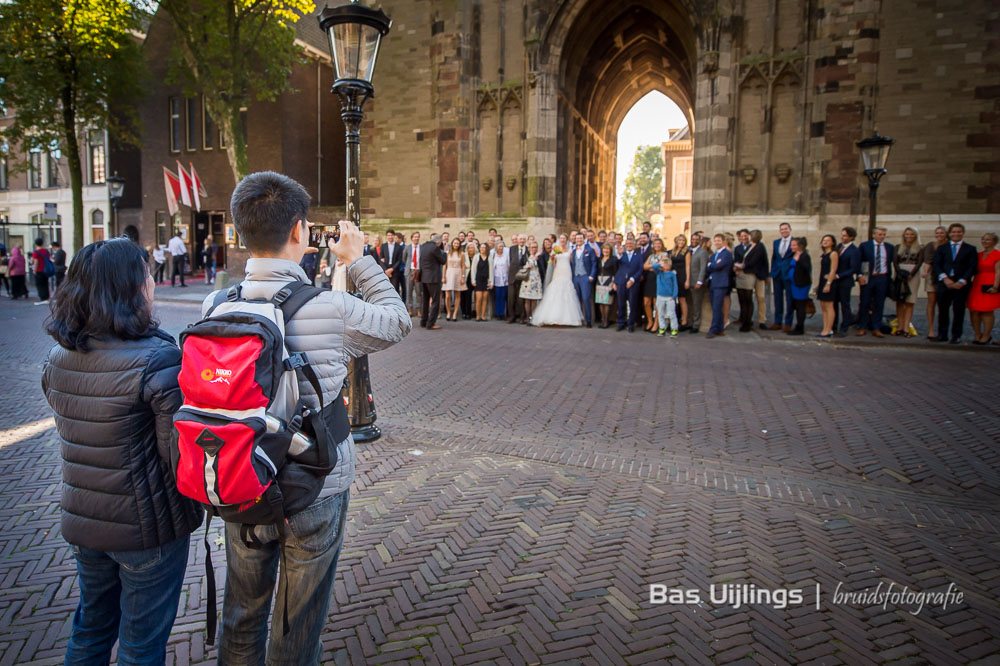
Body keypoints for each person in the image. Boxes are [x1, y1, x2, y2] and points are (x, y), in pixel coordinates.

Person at [204, 172, 409, 664]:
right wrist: (357, 260)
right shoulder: (331, 308)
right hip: (314, 484)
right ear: (299, 231)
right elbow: (397, 320)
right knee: (298, 627)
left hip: (243, 475)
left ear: (238, 231)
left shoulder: (216, 304)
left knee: (241, 616)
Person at [42, 238, 203, 664]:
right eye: (147, 274)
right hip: (146, 530)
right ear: (132, 287)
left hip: (84, 523)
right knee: (140, 646)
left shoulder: (58, 358)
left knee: (90, 631)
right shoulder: (158, 357)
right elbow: (178, 454)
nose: (152, 281)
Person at [932, 223, 977, 344]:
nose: (956, 234)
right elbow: (936, 264)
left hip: (961, 285)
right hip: (944, 284)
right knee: (943, 310)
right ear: (949, 233)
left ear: (963, 233)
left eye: (959, 232)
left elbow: (972, 267)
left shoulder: (970, 249)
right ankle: (942, 334)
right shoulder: (942, 248)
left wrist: (962, 281)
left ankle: (956, 335)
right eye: (953, 232)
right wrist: (945, 278)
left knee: (959, 310)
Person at [532, 236, 583, 326]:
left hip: (567, 271)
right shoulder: (555, 249)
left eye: (564, 239)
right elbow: (553, 263)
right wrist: (552, 258)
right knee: (556, 291)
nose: (562, 240)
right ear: (559, 240)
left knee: (567, 292)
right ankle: (553, 317)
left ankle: (567, 318)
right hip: (558, 271)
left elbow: (572, 262)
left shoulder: (570, 251)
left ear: (566, 240)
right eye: (561, 238)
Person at [857, 226, 894, 337]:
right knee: (865, 302)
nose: (881, 236)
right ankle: (862, 326)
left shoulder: (889, 247)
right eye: (879, 234)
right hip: (868, 277)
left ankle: (876, 327)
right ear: (873, 235)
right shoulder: (865, 246)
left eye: (883, 234)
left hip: (882, 277)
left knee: (879, 303)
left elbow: (890, 262)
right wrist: (859, 275)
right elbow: (859, 261)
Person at [968, 232, 1000, 345]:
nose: (985, 241)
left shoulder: (997, 254)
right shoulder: (979, 255)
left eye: (988, 240)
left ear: (994, 241)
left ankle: (986, 336)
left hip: (990, 284)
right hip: (977, 283)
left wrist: (995, 286)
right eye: (983, 239)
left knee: (987, 311)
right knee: (974, 310)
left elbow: (998, 272)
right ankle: (977, 334)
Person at [892, 227, 922, 337]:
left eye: (912, 234)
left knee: (909, 301)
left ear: (915, 236)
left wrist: (911, 274)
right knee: (899, 301)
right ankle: (899, 326)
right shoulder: (898, 247)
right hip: (900, 274)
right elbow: (895, 261)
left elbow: (919, 263)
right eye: (907, 234)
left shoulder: (920, 248)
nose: (909, 236)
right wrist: (899, 273)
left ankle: (906, 328)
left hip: (912, 275)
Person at [702, 234, 733, 339]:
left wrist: (712, 265)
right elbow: (709, 267)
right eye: (715, 241)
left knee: (716, 307)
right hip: (712, 283)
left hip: (721, 283)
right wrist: (712, 265)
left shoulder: (726, 254)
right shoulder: (715, 254)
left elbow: (718, 266)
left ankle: (713, 329)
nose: (717, 243)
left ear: (723, 241)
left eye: (719, 240)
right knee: (715, 307)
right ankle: (720, 328)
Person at [921, 226, 948, 339]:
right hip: (932, 276)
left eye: (942, 233)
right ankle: (931, 329)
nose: (939, 235)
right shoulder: (930, 245)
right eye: (937, 233)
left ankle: (943, 330)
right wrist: (925, 272)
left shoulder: (949, 245)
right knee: (931, 301)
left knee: (944, 304)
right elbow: (928, 260)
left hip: (946, 277)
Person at [738, 230, 768, 332]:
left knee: (760, 297)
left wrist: (742, 266)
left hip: (758, 275)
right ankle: (748, 319)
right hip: (749, 275)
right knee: (748, 298)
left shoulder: (760, 246)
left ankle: (762, 320)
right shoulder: (750, 247)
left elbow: (755, 260)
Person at [834, 227, 861, 336]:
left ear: (851, 237)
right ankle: (833, 325)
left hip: (845, 281)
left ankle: (845, 326)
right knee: (834, 304)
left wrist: (839, 275)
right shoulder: (839, 246)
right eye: (842, 234)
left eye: (845, 235)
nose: (842, 237)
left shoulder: (854, 250)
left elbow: (853, 268)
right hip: (835, 281)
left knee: (845, 304)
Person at [614, 237, 643, 332]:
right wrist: (619, 255)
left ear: (634, 245)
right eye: (627, 244)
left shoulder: (638, 255)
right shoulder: (622, 254)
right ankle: (621, 323)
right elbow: (616, 266)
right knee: (621, 304)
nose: (629, 245)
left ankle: (631, 324)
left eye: (631, 244)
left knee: (632, 304)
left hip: (633, 283)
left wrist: (632, 279)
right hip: (621, 282)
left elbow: (640, 270)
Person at [569, 234, 599, 328]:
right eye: (577, 238)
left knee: (586, 299)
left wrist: (591, 276)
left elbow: (594, 263)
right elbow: (572, 264)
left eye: (580, 238)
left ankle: (588, 320)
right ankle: (578, 319)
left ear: (584, 239)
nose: (579, 240)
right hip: (576, 277)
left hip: (585, 277)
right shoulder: (574, 251)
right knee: (577, 299)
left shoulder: (589, 250)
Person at [769, 222, 794, 331]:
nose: (784, 231)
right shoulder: (776, 242)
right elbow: (774, 257)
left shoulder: (795, 242)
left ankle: (788, 323)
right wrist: (773, 271)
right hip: (777, 274)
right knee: (777, 299)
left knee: (789, 299)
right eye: (782, 229)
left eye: (786, 229)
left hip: (788, 274)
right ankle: (777, 322)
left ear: (790, 229)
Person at [419, 233, 448, 329]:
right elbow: (443, 261)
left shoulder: (423, 246)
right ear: (439, 242)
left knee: (425, 300)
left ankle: (423, 321)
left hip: (424, 277)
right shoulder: (435, 248)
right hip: (433, 278)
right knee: (435, 301)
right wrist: (445, 251)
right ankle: (430, 323)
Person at [642, 238, 670, 332]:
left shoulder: (665, 255)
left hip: (659, 279)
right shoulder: (651, 255)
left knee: (656, 303)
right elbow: (644, 266)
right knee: (646, 302)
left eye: (659, 243)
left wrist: (651, 267)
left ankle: (656, 323)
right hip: (650, 280)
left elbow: (662, 267)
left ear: (662, 244)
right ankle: (650, 321)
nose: (657, 245)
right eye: (655, 244)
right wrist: (654, 266)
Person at [787, 237, 812, 335]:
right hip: (794, 284)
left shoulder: (805, 256)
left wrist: (799, 261)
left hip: (801, 285)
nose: (791, 247)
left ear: (800, 246)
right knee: (796, 306)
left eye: (793, 245)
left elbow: (807, 268)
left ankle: (800, 327)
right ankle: (797, 325)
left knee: (800, 306)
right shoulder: (795, 254)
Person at [650, 254, 679, 337]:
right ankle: (662, 328)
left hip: (669, 297)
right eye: (664, 264)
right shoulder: (659, 273)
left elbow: (675, 285)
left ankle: (674, 328)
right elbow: (654, 267)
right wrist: (660, 264)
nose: (665, 266)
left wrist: (674, 296)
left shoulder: (672, 274)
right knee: (660, 313)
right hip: (660, 296)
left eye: (667, 264)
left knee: (671, 313)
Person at [816, 234, 839, 338]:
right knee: (823, 306)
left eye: (828, 240)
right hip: (822, 281)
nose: (825, 242)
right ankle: (825, 328)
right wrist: (819, 284)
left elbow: (833, 269)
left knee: (829, 306)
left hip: (829, 282)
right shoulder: (824, 254)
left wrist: (828, 283)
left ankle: (829, 329)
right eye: (824, 240)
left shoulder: (833, 253)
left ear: (832, 242)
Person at [688, 236, 710, 334]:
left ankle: (696, 325)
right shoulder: (688, 250)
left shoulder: (703, 252)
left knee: (696, 305)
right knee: (689, 305)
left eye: (696, 240)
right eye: (692, 239)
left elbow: (703, 268)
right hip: (687, 282)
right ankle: (688, 323)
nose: (694, 241)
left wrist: (700, 281)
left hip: (696, 282)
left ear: (699, 241)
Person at [442, 237, 467, 321]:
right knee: (447, 295)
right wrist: (443, 276)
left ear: (459, 245)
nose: (456, 244)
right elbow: (444, 266)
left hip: (458, 273)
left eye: (457, 243)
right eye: (455, 243)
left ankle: (455, 313)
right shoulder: (448, 253)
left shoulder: (462, 254)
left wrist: (463, 277)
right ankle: (449, 312)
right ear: (452, 244)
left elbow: (463, 265)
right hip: (449, 273)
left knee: (457, 294)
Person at [519, 240, 544, 322]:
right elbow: (520, 266)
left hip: (536, 279)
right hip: (527, 279)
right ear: (529, 248)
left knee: (534, 299)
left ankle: (532, 316)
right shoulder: (525, 256)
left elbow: (542, 267)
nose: (534, 249)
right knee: (527, 299)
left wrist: (536, 259)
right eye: (532, 247)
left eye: (535, 247)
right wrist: (525, 266)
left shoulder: (539, 256)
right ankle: (527, 316)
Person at [671, 235, 691, 330]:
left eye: (683, 240)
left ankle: (684, 321)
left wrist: (687, 280)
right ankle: (674, 319)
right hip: (673, 277)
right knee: (673, 299)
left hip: (682, 276)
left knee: (682, 299)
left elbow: (687, 266)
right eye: (680, 240)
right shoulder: (672, 251)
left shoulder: (687, 252)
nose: (681, 242)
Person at [595, 242, 618, 328]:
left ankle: (606, 321)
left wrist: (615, 283)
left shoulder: (614, 259)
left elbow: (616, 272)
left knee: (607, 302)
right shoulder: (599, 258)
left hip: (608, 281)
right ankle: (603, 320)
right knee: (601, 302)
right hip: (599, 281)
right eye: (604, 249)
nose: (606, 250)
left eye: (607, 249)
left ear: (610, 250)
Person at [507, 234, 529, 323]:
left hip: (523, 277)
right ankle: (511, 316)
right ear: (518, 240)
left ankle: (522, 316)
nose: (522, 241)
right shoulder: (512, 249)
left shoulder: (528, 250)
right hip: (512, 277)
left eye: (524, 239)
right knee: (511, 297)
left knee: (521, 298)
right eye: (520, 239)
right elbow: (509, 261)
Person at [470, 241, 493, 320]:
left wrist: (491, 282)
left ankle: (483, 315)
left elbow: (491, 271)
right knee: (478, 299)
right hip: (478, 280)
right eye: (481, 247)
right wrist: (473, 280)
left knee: (484, 299)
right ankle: (478, 315)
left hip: (486, 281)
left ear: (486, 249)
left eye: (484, 247)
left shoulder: (489, 258)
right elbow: (473, 270)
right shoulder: (476, 257)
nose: (482, 249)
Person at [380, 229, 405, 296]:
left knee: (395, 289)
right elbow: (381, 259)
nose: (390, 237)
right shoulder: (383, 246)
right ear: (386, 236)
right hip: (385, 271)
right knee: (385, 289)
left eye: (391, 235)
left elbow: (400, 260)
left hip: (395, 271)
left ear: (394, 236)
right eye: (388, 235)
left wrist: (392, 269)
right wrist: (386, 270)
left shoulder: (399, 247)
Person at [492, 240, 510, 320]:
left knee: (503, 296)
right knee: (498, 296)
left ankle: (503, 313)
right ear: (496, 247)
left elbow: (508, 267)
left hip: (505, 278)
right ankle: (498, 313)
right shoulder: (493, 256)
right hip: (496, 278)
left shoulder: (506, 256)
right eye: (499, 246)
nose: (501, 248)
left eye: (502, 246)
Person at [404, 231, 421, 317]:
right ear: (412, 238)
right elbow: (404, 258)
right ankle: (409, 309)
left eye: (418, 237)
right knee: (409, 291)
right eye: (415, 237)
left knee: (418, 292)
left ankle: (418, 309)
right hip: (410, 271)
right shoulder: (407, 248)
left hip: (418, 272)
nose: (416, 238)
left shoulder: (421, 248)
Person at [31, 237, 51, 304]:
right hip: (46, 270)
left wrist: (34, 270)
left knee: (40, 285)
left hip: (39, 270)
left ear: (36, 244)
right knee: (45, 284)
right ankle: (47, 297)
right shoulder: (46, 251)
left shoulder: (35, 252)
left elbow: (36, 262)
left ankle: (43, 298)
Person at [461, 241, 478, 319]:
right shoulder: (464, 255)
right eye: (469, 248)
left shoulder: (477, 256)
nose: (471, 249)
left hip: (474, 277)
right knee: (464, 295)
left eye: (472, 248)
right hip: (465, 277)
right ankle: (464, 312)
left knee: (472, 295)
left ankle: (472, 311)